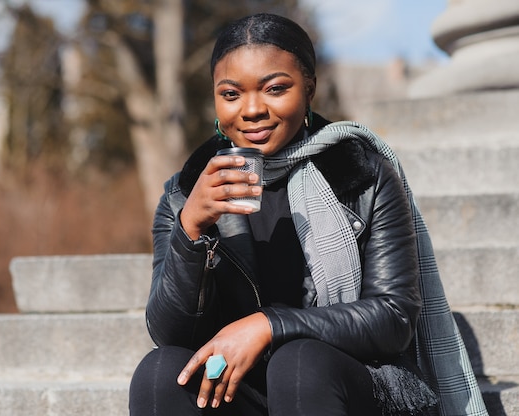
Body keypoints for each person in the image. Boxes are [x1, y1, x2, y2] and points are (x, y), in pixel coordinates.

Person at [129, 13, 487, 416]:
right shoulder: (186, 194)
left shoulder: (361, 175)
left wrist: (269, 325)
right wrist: (190, 230)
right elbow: (171, 333)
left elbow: (393, 317)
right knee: (158, 372)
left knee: (299, 363)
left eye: (275, 89)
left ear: (309, 89)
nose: (251, 110)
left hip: (343, 382)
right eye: (231, 94)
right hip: (243, 390)